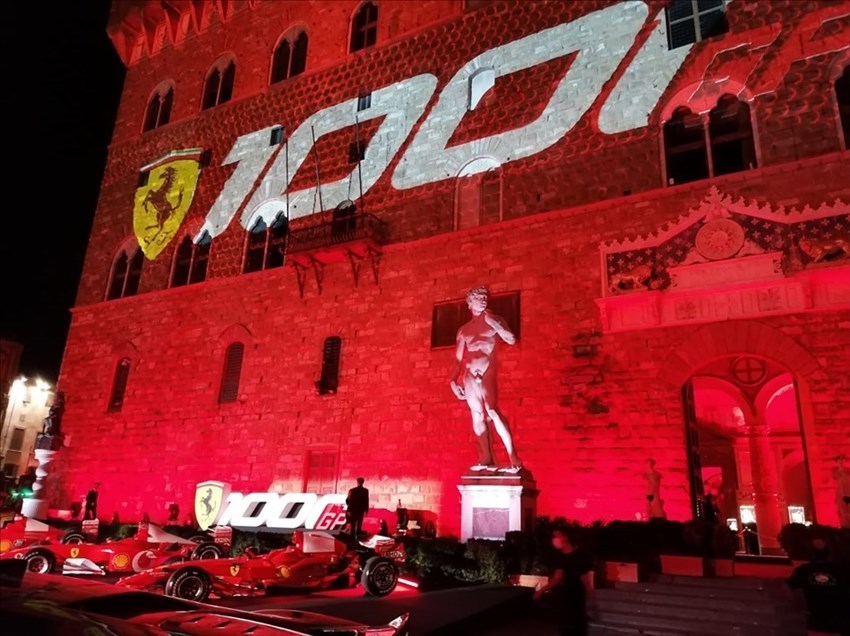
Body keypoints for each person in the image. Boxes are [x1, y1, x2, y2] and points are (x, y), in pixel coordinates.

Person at [450, 286, 522, 470]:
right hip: (469, 375)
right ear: (470, 302)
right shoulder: (463, 330)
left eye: (484, 297)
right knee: (477, 415)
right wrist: (452, 380)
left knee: (492, 411)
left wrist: (495, 324)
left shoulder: (494, 320)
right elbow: (458, 359)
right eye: (479, 297)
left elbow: (511, 339)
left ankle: (512, 455)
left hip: (487, 370)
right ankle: (486, 456)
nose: (483, 300)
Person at [534, 528, 595, 636]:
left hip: (576, 596)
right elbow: (557, 577)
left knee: (576, 627)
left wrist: (591, 598)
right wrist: (542, 590)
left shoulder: (580, 555)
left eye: (557, 536)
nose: (554, 540)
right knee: (565, 627)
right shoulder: (560, 557)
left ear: (565, 537)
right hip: (565, 597)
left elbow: (586, 579)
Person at [786, 540, 850, 635]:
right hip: (839, 620)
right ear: (829, 552)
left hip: (816, 620)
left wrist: (797, 604)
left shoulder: (804, 570)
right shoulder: (841, 569)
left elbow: (789, 586)